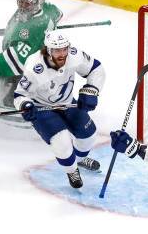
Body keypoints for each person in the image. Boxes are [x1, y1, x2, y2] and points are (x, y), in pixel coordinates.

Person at [13, 30, 105, 188]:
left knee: (88, 135)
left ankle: (80, 160)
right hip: (43, 108)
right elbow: (20, 95)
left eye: (64, 49)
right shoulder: (35, 68)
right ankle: (71, 170)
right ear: (48, 50)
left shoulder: (74, 55)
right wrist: (25, 105)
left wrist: (91, 90)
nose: (62, 54)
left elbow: (96, 69)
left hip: (67, 102)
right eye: (57, 50)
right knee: (61, 142)